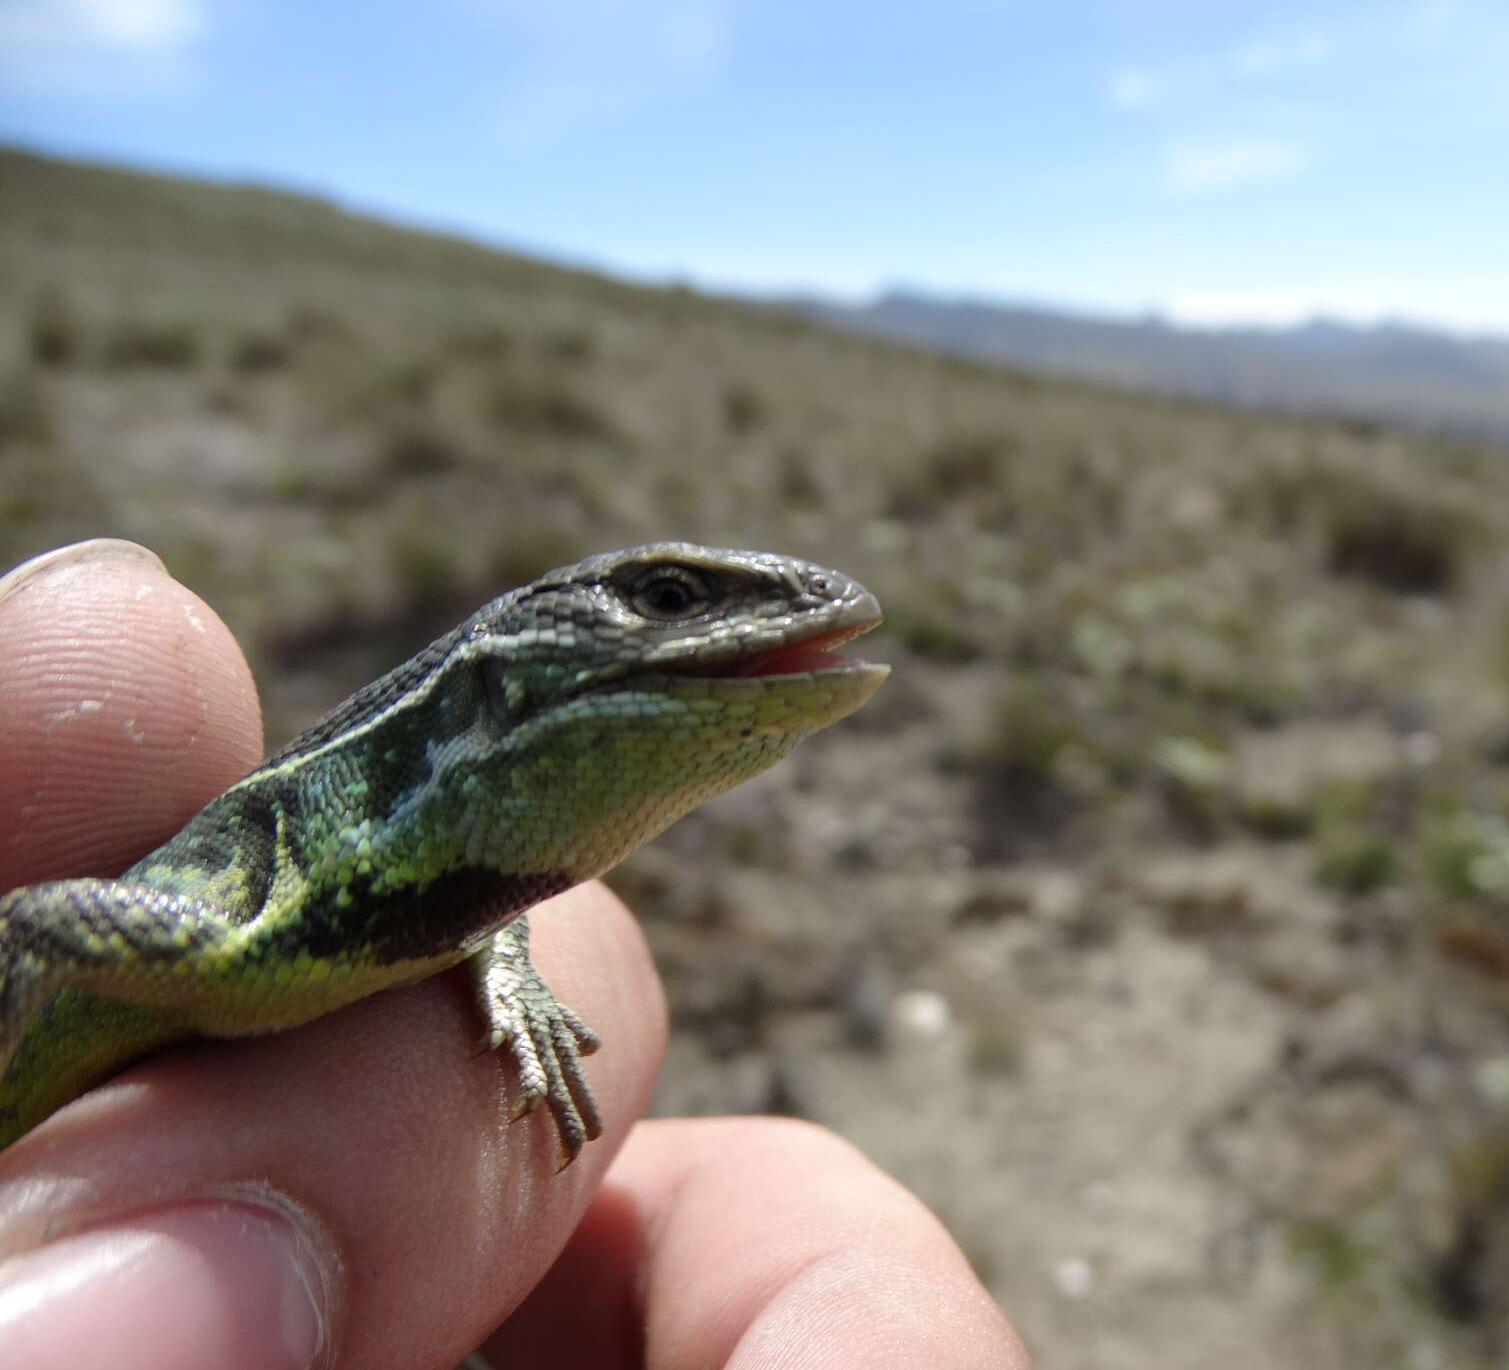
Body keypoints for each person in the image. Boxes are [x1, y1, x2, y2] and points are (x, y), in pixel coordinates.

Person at [0, 540, 1030, 1370]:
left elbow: (483, 901)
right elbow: (34, 925)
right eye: (667, 598)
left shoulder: (457, 908)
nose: (798, 611)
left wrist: (511, 975)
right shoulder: (243, 923)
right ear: (493, 688)